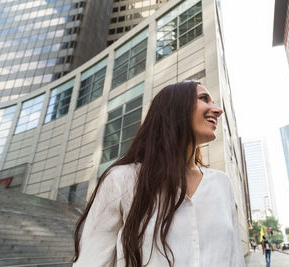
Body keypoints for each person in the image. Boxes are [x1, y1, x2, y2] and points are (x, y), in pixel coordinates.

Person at [72, 81, 245, 267]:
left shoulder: (222, 183)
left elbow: (235, 259)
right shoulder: (121, 180)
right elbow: (92, 262)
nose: (218, 110)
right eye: (204, 99)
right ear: (174, 108)